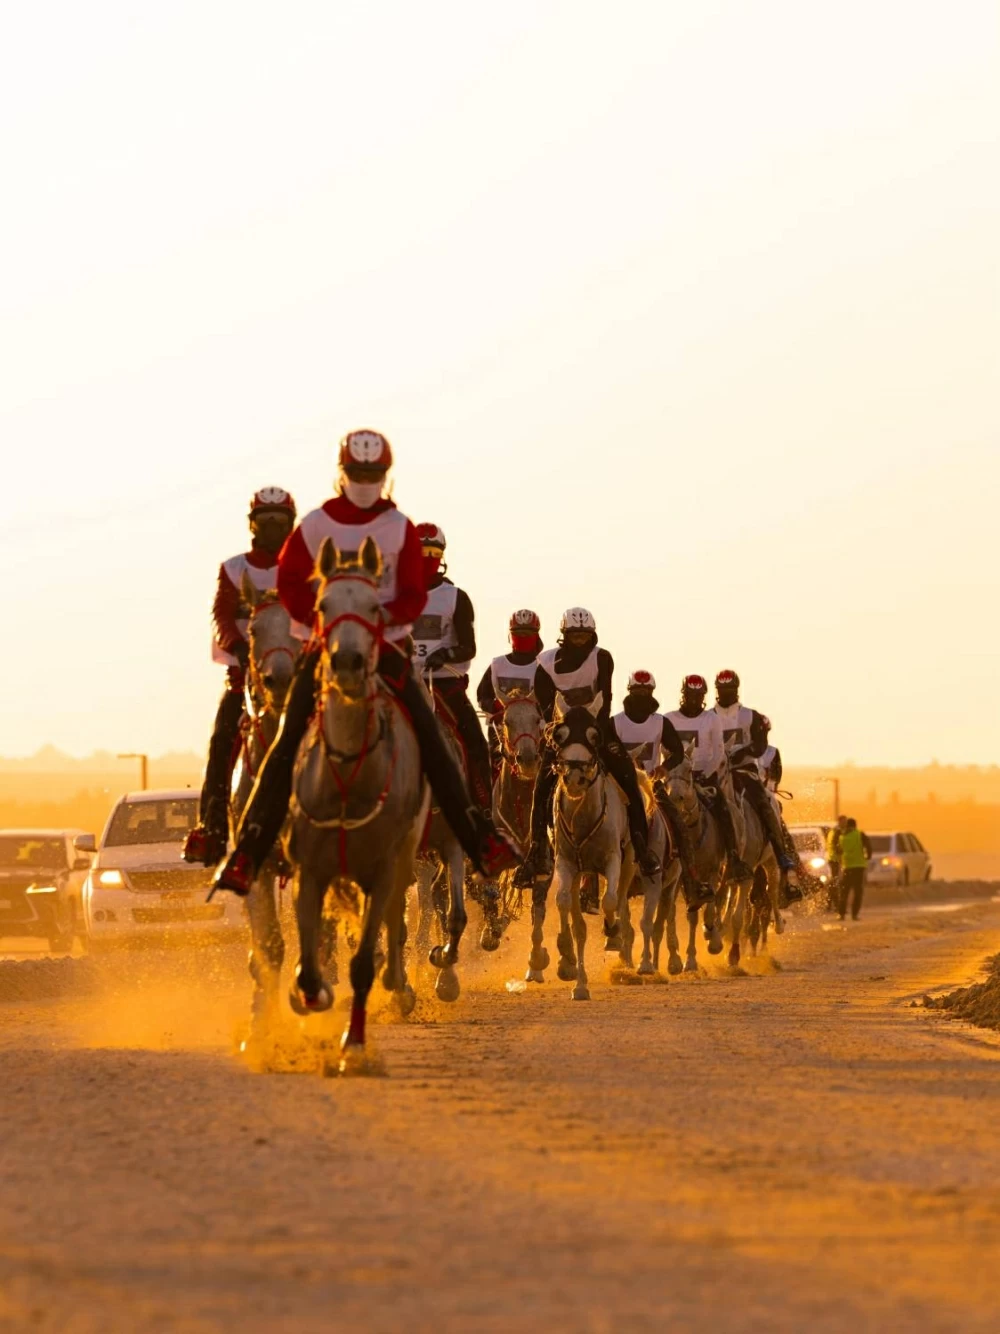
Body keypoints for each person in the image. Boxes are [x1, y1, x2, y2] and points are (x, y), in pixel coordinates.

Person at [211, 430, 518, 894]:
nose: (366, 482)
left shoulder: (398, 528)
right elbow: (290, 583)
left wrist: (381, 621)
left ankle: (480, 840)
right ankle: (248, 850)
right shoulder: (316, 525)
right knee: (285, 739)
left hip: (385, 650)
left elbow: (413, 592)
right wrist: (320, 623)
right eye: (358, 473)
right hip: (326, 650)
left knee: (434, 738)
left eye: (374, 474)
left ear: (385, 475)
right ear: (344, 473)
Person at [183, 487, 298, 865]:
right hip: (245, 678)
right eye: (265, 521)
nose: (272, 527)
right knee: (222, 743)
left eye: (279, 521)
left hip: (298, 677)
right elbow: (222, 616)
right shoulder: (233, 569)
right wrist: (238, 646)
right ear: (253, 524)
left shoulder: (304, 569)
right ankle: (212, 828)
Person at [513, 608, 661, 885]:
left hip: (597, 729)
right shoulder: (544, 664)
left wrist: (594, 734)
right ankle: (536, 854)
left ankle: (642, 848)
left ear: (592, 635)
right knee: (541, 789)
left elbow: (605, 700)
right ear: (564, 635)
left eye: (584, 635)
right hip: (563, 734)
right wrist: (556, 731)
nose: (580, 640)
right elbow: (546, 707)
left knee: (629, 779)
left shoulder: (602, 658)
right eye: (575, 635)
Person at [613, 670, 713, 906]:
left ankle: (693, 883)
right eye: (637, 691)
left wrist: (664, 769)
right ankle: (588, 886)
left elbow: (677, 752)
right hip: (619, 788)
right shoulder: (615, 722)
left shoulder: (661, 723)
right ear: (629, 692)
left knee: (679, 825)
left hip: (651, 788)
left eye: (646, 691)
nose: (642, 696)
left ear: (652, 692)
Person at [411, 523, 492, 812]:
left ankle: (483, 814)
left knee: (477, 744)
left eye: (434, 553)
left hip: (445, 683)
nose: (427, 559)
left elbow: (469, 647)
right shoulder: (395, 595)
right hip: (404, 682)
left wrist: (446, 653)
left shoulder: (456, 597)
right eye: (422, 552)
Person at [663, 674, 752, 880]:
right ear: (683, 695)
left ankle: (732, 857)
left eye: (699, 695)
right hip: (676, 777)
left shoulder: (711, 719)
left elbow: (719, 752)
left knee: (723, 808)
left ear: (704, 696)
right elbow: (663, 749)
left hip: (704, 776)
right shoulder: (669, 718)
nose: (694, 700)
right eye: (690, 695)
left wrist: (705, 775)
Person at [710, 669, 797, 874]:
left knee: (765, 804)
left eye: (730, 689)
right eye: (722, 689)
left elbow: (760, 745)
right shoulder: (708, 717)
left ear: (737, 690)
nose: (725, 693)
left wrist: (744, 752)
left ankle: (781, 854)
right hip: (715, 773)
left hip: (744, 772)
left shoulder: (750, 716)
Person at [476, 609, 543, 777]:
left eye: (527, 633)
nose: (523, 636)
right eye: (518, 633)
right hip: (501, 730)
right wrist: (495, 707)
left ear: (536, 635)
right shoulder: (497, 665)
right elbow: (482, 695)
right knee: (483, 766)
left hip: (535, 732)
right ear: (510, 635)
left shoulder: (543, 666)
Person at [837, 817, 871, 920]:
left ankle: (841, 914)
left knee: (844, 892)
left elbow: (838, 850)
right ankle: (854, 915)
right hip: (859, 867)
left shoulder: (842, 836)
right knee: (857, 892)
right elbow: (868, 846)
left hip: (846, 867)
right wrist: (868, 857)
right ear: (855, 825)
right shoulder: (860, 834)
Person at [826, 814, 848, 909]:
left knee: (833, 882)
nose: (845, 824)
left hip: (833, 859)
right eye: (844, 822)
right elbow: (837, 846)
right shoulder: (838, 832)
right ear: (840, 822)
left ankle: (830, 903)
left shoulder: (834, 830)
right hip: (835, 860)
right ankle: (835, 904)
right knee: (835, 883)